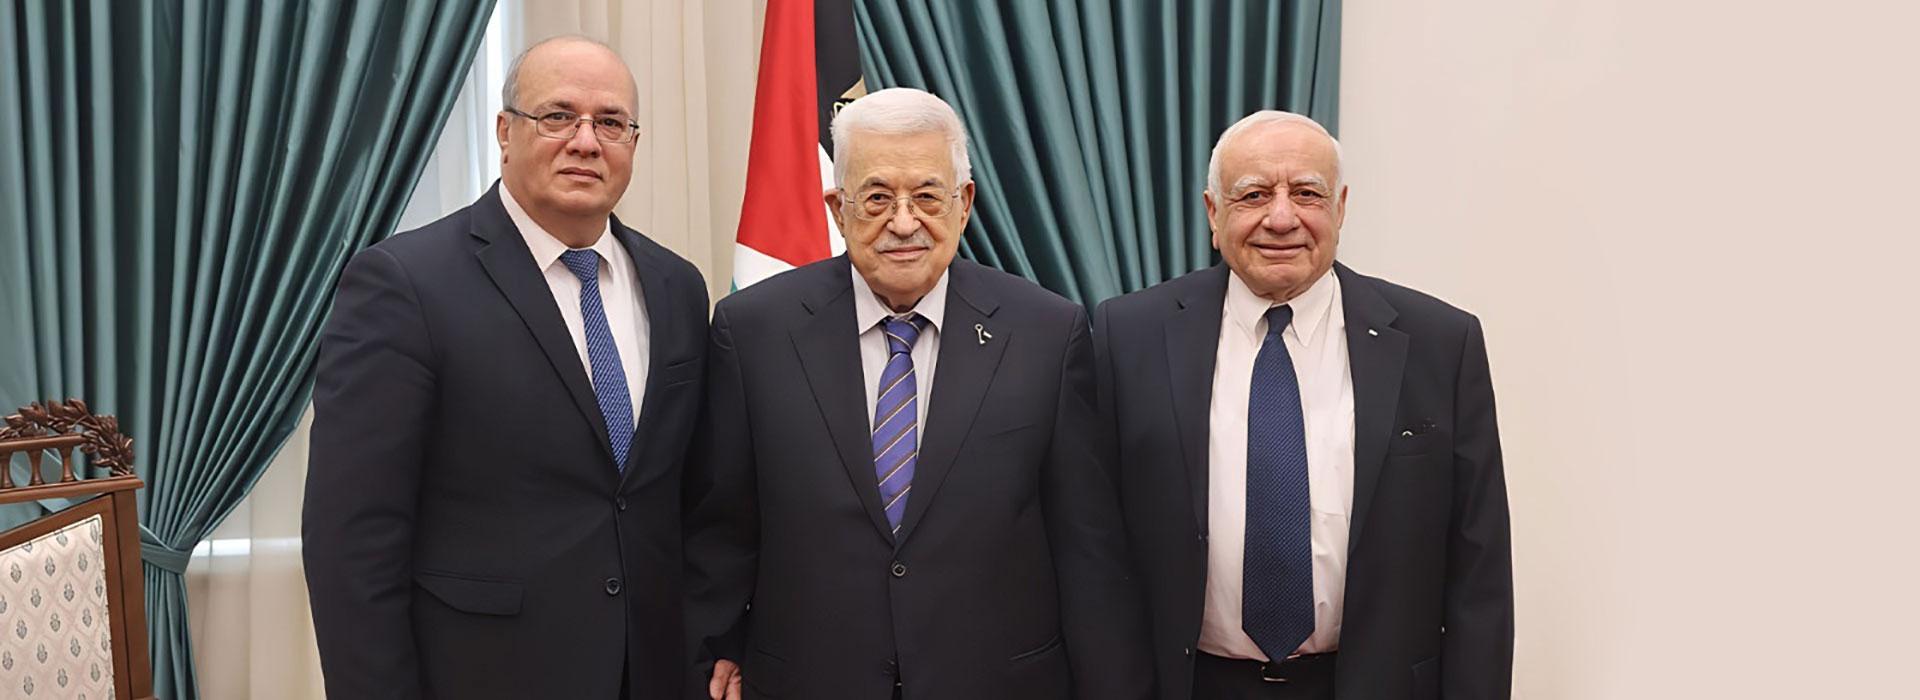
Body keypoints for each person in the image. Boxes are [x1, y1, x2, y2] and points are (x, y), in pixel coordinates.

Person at [683, 87, 1151, 700]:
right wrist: (712, 651)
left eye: (928, 196)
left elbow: (1085, 545)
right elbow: (723, 526)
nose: (903, 223)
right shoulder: (753, 331)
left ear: (964, 203)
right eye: (877, 197)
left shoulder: (1046, 331)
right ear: (838, 209)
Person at [302, 36, 708, 699]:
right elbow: (352, 542)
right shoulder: (405, 285)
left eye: (610, 122)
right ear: (505, 132)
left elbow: (684, 499)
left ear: (634, 142)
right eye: (558, 116)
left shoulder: (678, 287)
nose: (586, 142)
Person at [1095, 110, 1513, 699]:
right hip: (1192, 684)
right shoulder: (1128, 335)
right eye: (1253, 195)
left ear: (1340, 208)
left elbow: (1479, 569)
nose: (1281, 217)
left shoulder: (1440, 343)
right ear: (1214, 214)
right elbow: (1096, 550)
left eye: (1307, 193)